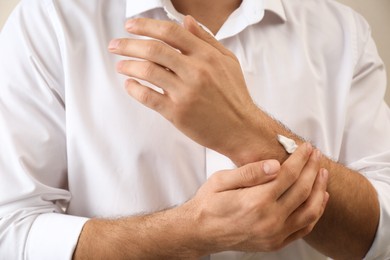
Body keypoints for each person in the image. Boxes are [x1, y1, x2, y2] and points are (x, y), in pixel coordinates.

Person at [0, 0, 389, 259]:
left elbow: (383, 234)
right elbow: (10, 233)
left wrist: (248, 130)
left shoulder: (341, 33)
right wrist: (193, 230)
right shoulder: (50, 19)